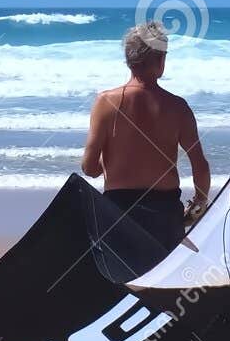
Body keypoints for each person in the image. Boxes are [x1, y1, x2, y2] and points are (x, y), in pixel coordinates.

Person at [80, 21, 211, 249]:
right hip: (165, 213)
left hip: (119, 213)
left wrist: (116, 158)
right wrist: (199, 202)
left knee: (124, 268)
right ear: (161, 61)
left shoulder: (106, 102)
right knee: (165, 268)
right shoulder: (178, 107)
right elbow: (200, 165)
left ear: (129, 60)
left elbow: (89, 168)